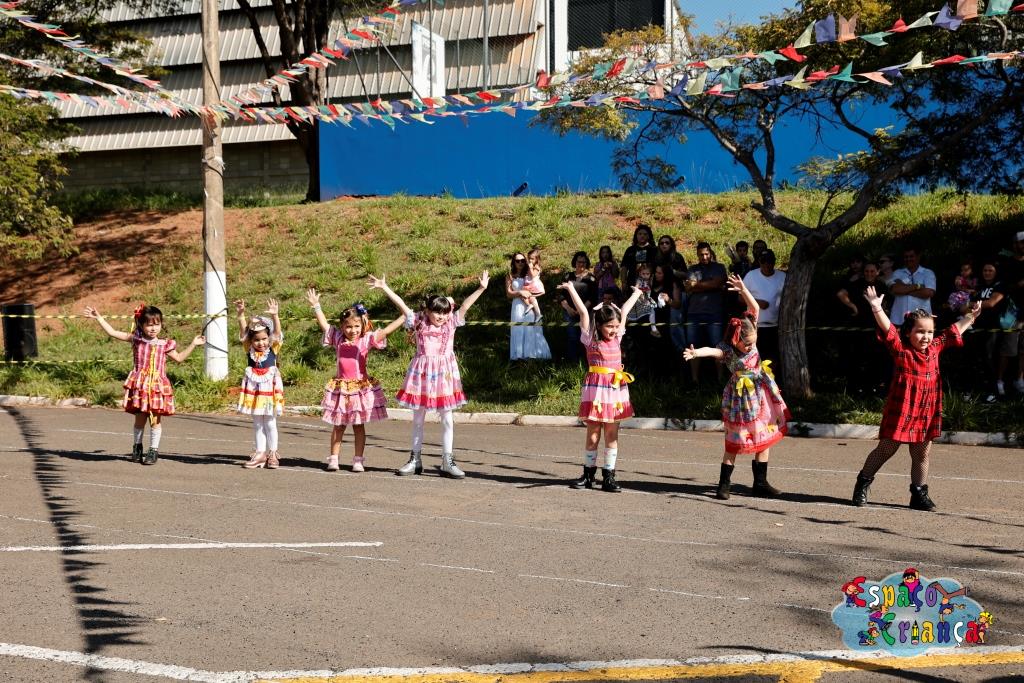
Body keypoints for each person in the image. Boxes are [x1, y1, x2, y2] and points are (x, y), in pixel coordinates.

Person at [851, 287, 982, 511]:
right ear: (908, 333)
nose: (926, 337)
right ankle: (863, 482)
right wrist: (876, 308)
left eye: (929, 332)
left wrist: (972, 316)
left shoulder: (935, 348)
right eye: (920, 332)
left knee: (922, 453)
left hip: (926, 410)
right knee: (886, 449)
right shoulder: (901, 349)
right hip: (902, 409)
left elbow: (954, 330)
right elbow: (888, 330)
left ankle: (919, 494)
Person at [684, 274, 789, 500]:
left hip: (761, 394)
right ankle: (724, 484)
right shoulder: (728, 350)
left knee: (765, 435)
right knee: (734, 440)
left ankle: (760, 483)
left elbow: (754, 307)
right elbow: (712, 351)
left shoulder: (750, 329)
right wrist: (696, 352)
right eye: (747, 343)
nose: (751, 345)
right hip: (740, 399)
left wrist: (743, 289)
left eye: (753, 341)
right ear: (735, 340)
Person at [392, 271, 490, 478]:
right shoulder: (418, 322)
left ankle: (447, 460)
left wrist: (481, 288)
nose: (441, 316)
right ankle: (415, 459)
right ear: (428, 311)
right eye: (437, 312)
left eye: (445, 312)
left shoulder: (451, 323)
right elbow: (402, 306)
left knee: (447, 418)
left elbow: (465, 306)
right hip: (422, 374)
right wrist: (385, 288)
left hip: (444, 374)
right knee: (418, 418)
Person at [83, 304, 205, 465]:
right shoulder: (136, 339)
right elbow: (112, 332)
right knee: (139, 420)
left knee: (155, 420)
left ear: (161, 324)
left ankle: (153, 450)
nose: (153, 328)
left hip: (157, 386)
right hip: (140, 385)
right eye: (149, 324)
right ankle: (137, 447)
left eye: (157, 324)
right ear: (141, 325)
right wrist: (99, 318)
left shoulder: (165, 344)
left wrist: (194, 344)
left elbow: (179, 358)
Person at [307, 284, 406, 472]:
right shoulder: (337, 338)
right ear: (342, 327)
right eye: (348, 326)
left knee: (358, 425)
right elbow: (324, 325)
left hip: (359, 389)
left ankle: (358, 460)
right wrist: (316, 306)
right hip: (341, 388)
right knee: (338, 425)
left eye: (356, 326)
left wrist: (404, 315)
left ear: (362, 326)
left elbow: (387, 330)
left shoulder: (366, 340)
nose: (352, 330)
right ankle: (333, 459)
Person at [557, 278, 643, 492]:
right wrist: (571, 289)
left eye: (616, 326)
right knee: (593, 434)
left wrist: (636, 293)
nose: (614, 330)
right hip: (596, 391)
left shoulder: (618, 337)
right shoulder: (590, 339)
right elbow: (583, 312)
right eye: (609, 326)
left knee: (612, 435)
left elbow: (624, 310)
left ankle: (609, 476)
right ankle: (588, 474)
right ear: (600, 325)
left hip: (614, 390)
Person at [234, 299, 285, 469]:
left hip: (269, 389)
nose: (261, 343)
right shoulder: (248, 349)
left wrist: (275, 315)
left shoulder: (273, 348)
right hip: (254, 389)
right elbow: (243, 333)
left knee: (270, 421)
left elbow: (277, 333)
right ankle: (260, 453)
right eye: (257, 340)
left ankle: (273, 453)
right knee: (257, 422)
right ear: (251, 340)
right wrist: (241, 314)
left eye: (264, 339)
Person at [836, 261, 890, 392]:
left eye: (872, 271)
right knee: (857, 356)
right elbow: (841, 294)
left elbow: (886, 305)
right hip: (859, 326)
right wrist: (853, 306)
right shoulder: (856, 284)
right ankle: (856, 387)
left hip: (876, 326)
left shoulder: (882, 286)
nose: (869, 274)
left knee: (876, 357)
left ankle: (875, 386)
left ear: (878, 272)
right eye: (867, 271)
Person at [684, 242, 727, 385]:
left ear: (711, 253)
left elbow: (717, 283)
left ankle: (720, 379)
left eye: (706, 254)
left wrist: (697, 285)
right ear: (697, 255)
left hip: (714, 313)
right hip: (694, 313)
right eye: (701, 254)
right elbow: (688, 287)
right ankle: (694, 380)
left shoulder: (719, 267)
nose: (704, 257)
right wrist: (710, 285)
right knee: (693, 346)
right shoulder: (692, 269)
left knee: (718, 346)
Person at [973, 262, 1016, 400]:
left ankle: (994, 391)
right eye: (985, 270)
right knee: (982, 359)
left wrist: (969, 305)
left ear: (996, 272)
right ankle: (984, 389)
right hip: (980, 327)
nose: (987, 273)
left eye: (990, 270)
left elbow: (991, 303)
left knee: (991, 358)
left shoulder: (1000, 286)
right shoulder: (980, 287)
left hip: (995, 328)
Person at [742, 249, 786, 368]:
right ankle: (757, 379)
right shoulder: (751, 275)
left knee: (773, 359)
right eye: (763, 261)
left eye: (770, 261)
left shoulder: (782, 276)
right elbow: (740, 298)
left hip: (776, 325)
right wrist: (757, 303)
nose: (767, 264)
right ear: (759, 262)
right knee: (754, 358)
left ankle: (772, 379)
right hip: (755, 326)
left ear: (774, 262)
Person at [507, 252, 552, 361]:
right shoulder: (510, 275)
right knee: (518, 329)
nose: (520, 263)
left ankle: (533, 354)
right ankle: (519, 356)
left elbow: (540, 289)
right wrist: (519, 293)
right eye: (517, 261)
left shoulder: (529, 273)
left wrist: (531, 295)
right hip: (517, 305)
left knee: (531, 328)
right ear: (513, 262)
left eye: (523, 260)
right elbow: (508, 294)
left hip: (530, 303)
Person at [560, 251, 596, 363]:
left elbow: (593, 297)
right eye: (579, 262)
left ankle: (586, 361)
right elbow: (561, 295)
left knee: (585, 337)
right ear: (574, 262)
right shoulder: (567, 276)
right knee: (572, 337)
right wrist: (568, 308)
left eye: (584, 262)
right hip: (569, 312)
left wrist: (581, 310)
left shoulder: (591, 278)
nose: (581, 264)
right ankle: (573, 362)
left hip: (586, 313)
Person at [889, 247, 936, 323]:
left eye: (911, 256)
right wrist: (918, 286)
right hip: (899, 319)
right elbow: (895, 289)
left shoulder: (928, 273)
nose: (908, 259)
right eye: (906, 257)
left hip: (922, 321)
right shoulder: (897, 273)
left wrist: (903, 289)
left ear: (918, 257)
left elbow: (928, 293)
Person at [620, 224, 658, 290]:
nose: (642, 236)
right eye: (640, 234)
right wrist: (623, 282)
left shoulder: (654, 250)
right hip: (632, 283)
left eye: (645, 234)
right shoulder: (630, 250)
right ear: (636, 236)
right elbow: (624, 267)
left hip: (650, 284)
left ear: (649, 236)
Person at [523, 248, 546, 322]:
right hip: (528, 284)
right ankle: (537, 313)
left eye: (532, 259)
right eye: (529, 258)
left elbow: (533, 275)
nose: (530, 260)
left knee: (530, 297)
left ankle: (537, 312)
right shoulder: (529, 266)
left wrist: (530, 268)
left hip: (533, 285)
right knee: (529, 298)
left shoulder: (536, 267)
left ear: (537, 259)